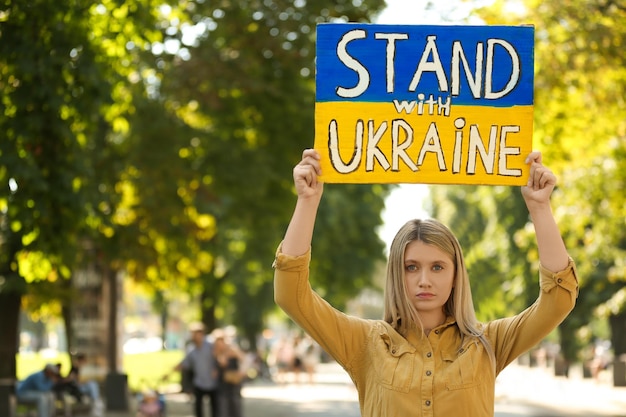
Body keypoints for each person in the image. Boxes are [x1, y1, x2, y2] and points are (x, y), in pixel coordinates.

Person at [273, 149, 579, 417]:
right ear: (396, 273)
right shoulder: (365, 342)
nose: (424, 280)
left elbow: (558, 299)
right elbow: (291, 295)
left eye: (437, 267)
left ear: (456, 274)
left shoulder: (488, 343)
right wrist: (308, 201)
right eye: (411, 267)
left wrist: (540, 208)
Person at [173, 322, 220, 417]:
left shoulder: (211, 345)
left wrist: (217, 369)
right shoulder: (191, 350)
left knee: (215, 409)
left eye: (196, 334)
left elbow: (218, 357)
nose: (194, 336)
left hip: (212, 382)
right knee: (198, 409)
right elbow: (185, 363)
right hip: (199, 383)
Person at [213, 330, 245, 417]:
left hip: (233, 384)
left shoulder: (232, 350)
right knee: (223, 409)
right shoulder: (216, 352)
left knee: (235, 408)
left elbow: (243, 360)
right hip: (222, 385)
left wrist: (241, 372)